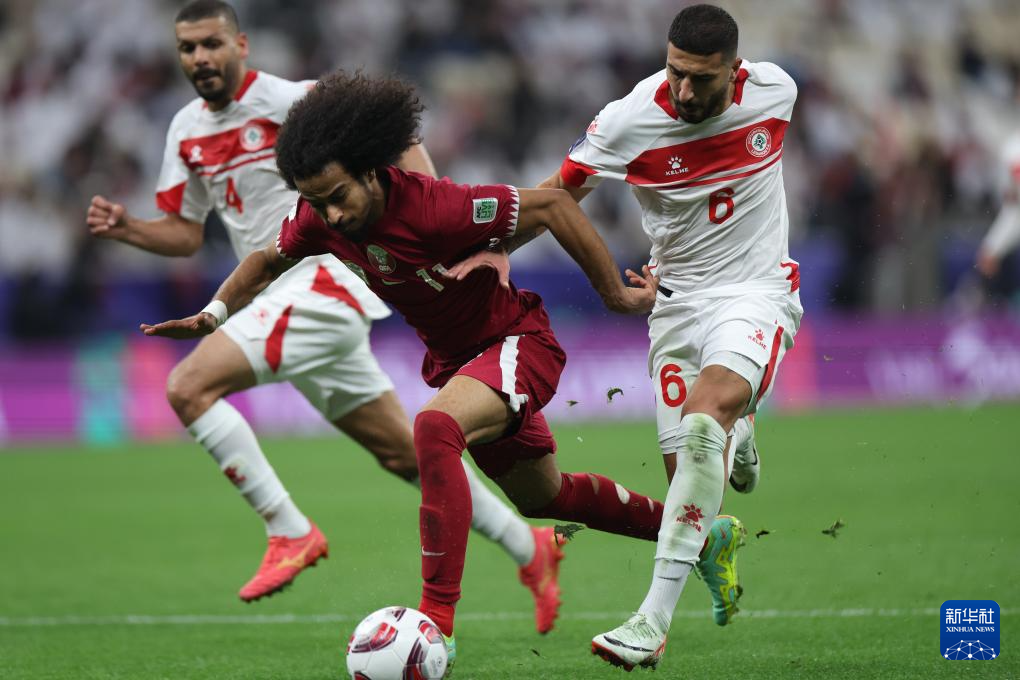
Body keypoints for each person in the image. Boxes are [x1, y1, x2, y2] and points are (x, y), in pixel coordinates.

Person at [140, 69, 670, 666]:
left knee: (433, 428)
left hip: (517, 343)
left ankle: (436, 621)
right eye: (316, 202)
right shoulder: (319, 217)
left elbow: (551, 205)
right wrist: (213, 314)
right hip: (461, 362)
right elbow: (266, 260)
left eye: (338, 196)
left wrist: (616, 296)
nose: (330, 214)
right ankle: (694, 533)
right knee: (546, 497)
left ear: (370, 170)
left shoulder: (435, 208)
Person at [85, 0, 565, 634]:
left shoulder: (292, 100)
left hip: (318, 282)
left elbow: (397, 138)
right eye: (187, 48)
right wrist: (130, 230)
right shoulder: (185, 132)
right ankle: (531, 548)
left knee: (188, 387)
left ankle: (287, 529)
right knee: (407, 456)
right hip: (274, 296)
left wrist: (434, 224)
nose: (200, 57)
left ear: (240, 45)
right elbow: (184, 233)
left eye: (211, 43)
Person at [455, 4, 801, 669]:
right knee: (692, 482)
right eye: (675, 73)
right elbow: (556, 196)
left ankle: (651, 624)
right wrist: (496, 251)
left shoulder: (775, 92)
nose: (686, 91)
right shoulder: (628, 120)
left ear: (736, 69)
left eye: (702, 78)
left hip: (755, 292)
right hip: (673, 305)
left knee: (702, 427)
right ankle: (739, 434)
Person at [975, 131, 1020, 283]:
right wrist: (992, 247)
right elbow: (1012, 204)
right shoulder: (1012, 148)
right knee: (987, 259)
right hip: (1014, 210)